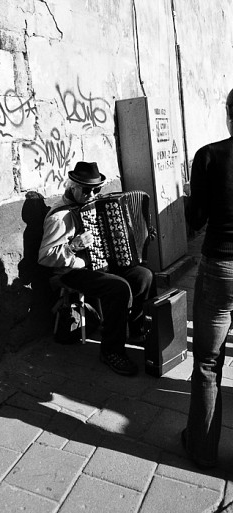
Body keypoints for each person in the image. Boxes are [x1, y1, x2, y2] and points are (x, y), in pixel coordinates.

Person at [38, 161, 155, 376]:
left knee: (144, 276)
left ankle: (136, 330)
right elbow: (45, 257)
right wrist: (73, 247)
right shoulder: (59, 217)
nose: (92, 194)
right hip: (73, 272)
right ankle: (111, 350)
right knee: (118, 288)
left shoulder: (98, 205)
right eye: (86, 190)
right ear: (72, 186)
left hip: (102, 264)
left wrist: (143, 235)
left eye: (96, 189)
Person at [182, 88, 233, 469]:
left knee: (207, 362)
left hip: (221, 267)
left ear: (229, 114)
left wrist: (193, 199)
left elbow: (196, 220)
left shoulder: (209, 156)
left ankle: (201, 450)